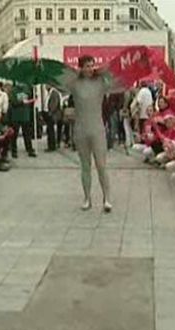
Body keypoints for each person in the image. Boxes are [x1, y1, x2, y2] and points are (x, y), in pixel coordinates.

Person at [66, 55, 112, 212]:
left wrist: (100, 71)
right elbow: (65, 81)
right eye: (86, 66)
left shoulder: (100, 82)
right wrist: (76, 73)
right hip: (80, 130)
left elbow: (110, 76)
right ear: (81, 67)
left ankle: (106, 198)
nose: (90, 68)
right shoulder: (75, 84)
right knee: (85, 166)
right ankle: (87, 198)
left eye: (92, 65)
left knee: (101, 165)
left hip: (97, 129)